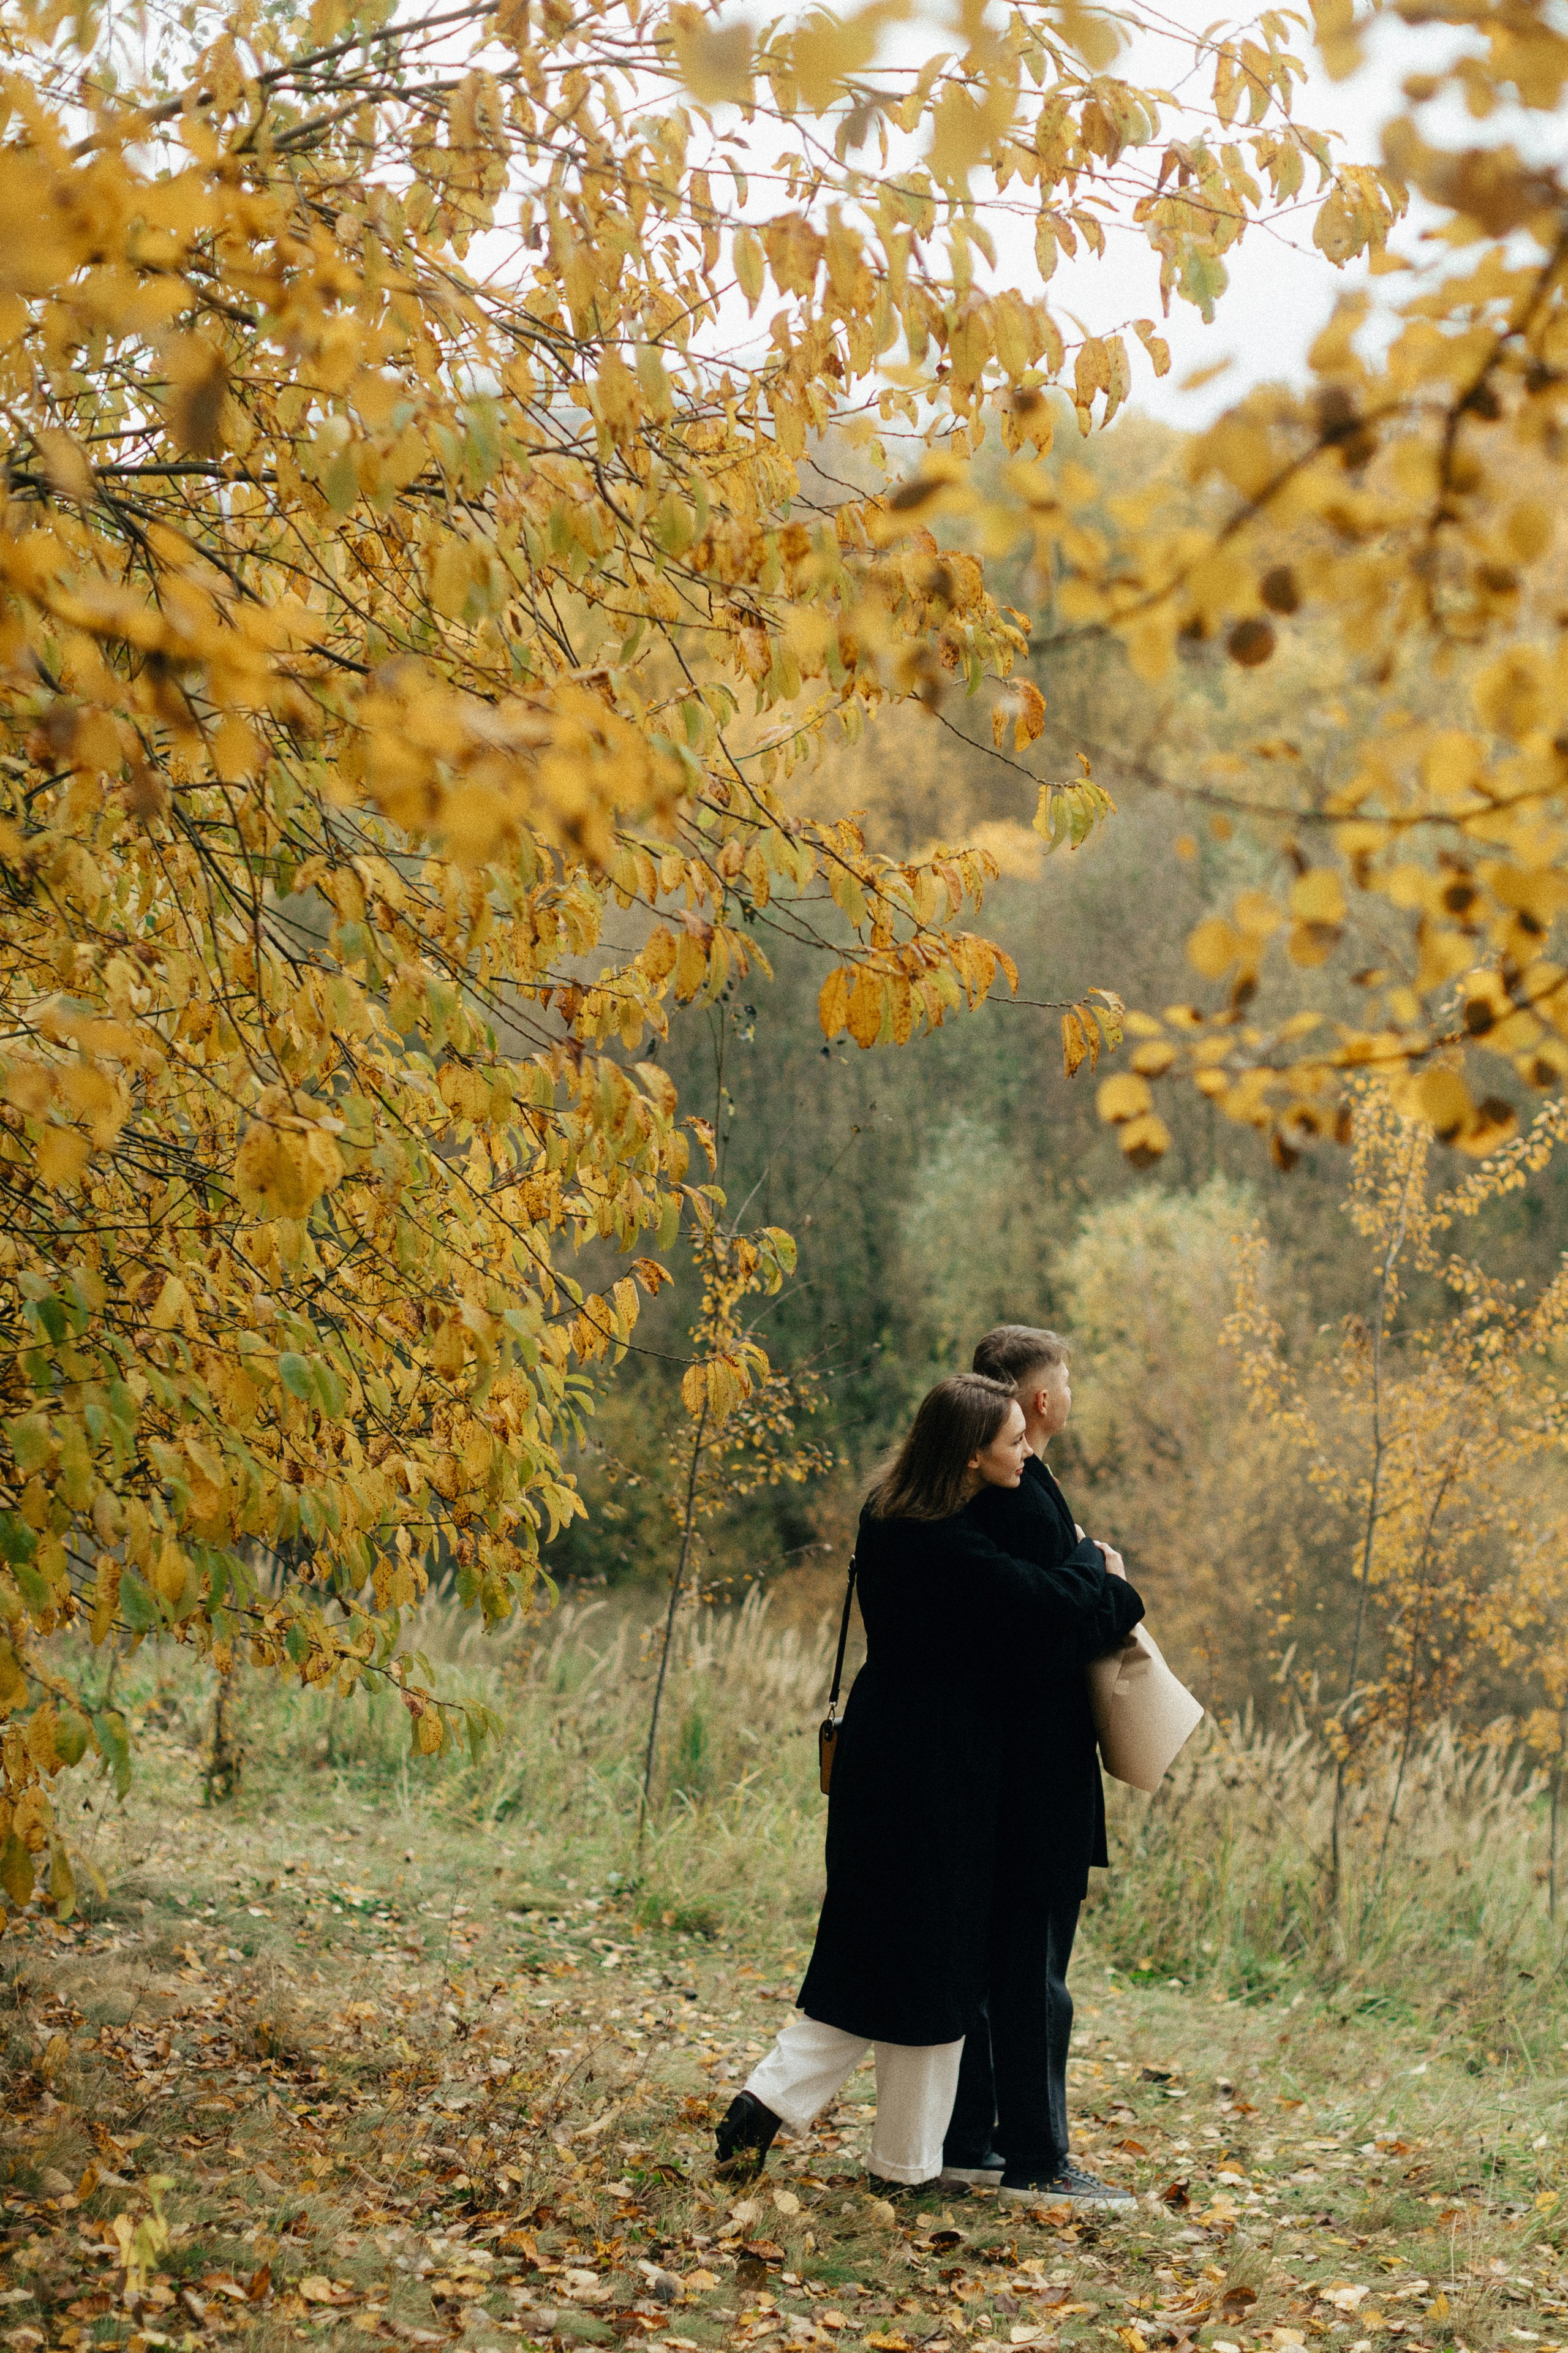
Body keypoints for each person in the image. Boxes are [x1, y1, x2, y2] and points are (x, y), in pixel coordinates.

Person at [713, 1372, 1143, 2194]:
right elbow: (1046, 1599)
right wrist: (1107, 1573)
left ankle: (791, 2118)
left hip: (892, 1757)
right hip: (935, 1774)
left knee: (884, 1956)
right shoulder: (947, 1545)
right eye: (1014, 1440)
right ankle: (875, 2156)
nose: (1027, 1452)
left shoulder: (892, 1511)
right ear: (972, 1453)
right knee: (935, 1967)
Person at [941, 1323, 1140, 2209]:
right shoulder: (1021, 1499)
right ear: (1042, 1398)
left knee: (1002, 1965)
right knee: (1034, 1972)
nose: (1063, 1396)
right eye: (1062, 1380)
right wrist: (1113, 1580)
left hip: (1003, 1762)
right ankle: (1037, 2156)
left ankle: (973, 2135)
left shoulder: (987, 1487)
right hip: (1036, 1767)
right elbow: (1061, 1625)